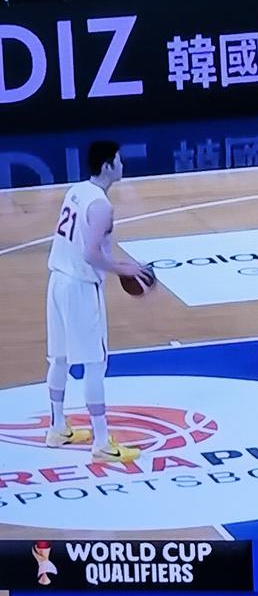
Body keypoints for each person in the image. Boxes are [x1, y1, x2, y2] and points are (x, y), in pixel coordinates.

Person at [45, 141, 152, 464]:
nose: (123, 165)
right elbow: (90, 254)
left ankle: (57, 428)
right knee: (95, 364)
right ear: (107, 166)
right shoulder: (102, 206)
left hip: (57, 281)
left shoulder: (76, 191)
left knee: (59, 358)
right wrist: (124, 269)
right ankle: (102, 443)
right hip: (79, 287)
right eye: (118, 160)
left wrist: (117, 262)